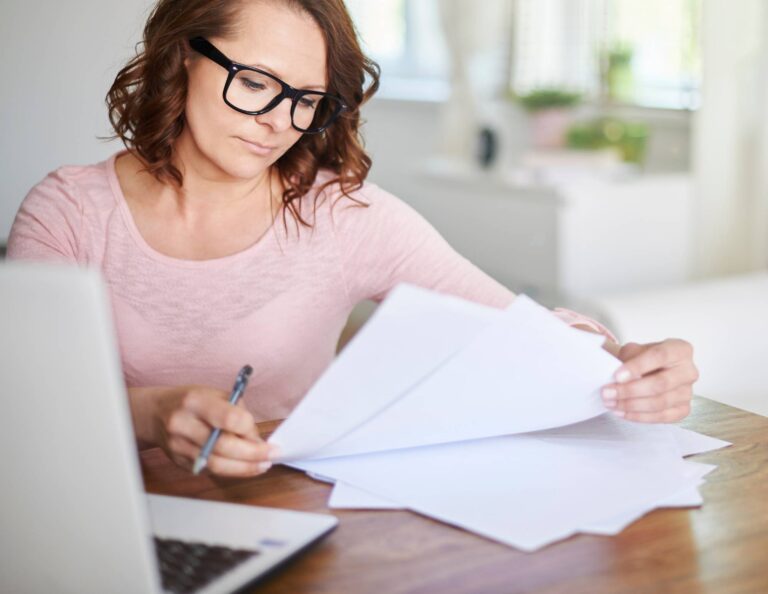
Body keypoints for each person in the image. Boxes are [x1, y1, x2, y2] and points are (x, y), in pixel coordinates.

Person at [7, 0, 698, 478]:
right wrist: (153, 413)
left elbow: (516, 328)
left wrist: (624, 365)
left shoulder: (341, 216)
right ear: (181, 56)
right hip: (100, 518)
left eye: (306, 99)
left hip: (287, 513)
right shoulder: (69, 211)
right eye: (253, 82)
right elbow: (22, 399)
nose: (279, 122)